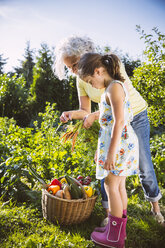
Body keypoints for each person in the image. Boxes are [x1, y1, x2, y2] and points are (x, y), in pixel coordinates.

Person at [54, 35, 164, 225]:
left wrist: (96, 116)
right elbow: (85, 111)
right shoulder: (81, 79)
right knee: (109, 174)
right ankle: (113, 216)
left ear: (85, 55)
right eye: (69, 68)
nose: (72, 71)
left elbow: (122, 101)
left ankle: (156, 209)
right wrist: (71, 114)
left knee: (144, 164)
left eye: (73, 64)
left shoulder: (109, 66)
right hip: (113, 123)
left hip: (134, 116)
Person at [78, 52, 139, 247]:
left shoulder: (113, 88)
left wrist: (111, 152)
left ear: (98, 71)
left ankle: (114, 236)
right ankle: (119, 230)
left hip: (119, 145)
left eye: (89, 80)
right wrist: (103, 150)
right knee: (118, 186)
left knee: (110, 185)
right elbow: (108, 119)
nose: (90, 85)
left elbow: (119, 121)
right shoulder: (111, 89)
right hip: (118, 143)